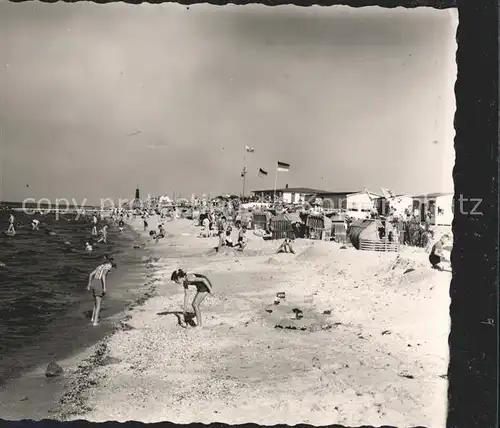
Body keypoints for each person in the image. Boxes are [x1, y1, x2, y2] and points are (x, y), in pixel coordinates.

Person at [87, 258, 116, 326]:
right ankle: (95, 322)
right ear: (110, 265)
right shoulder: (107, 267)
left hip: (94, 282)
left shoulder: (99, 266)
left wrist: (89, 284)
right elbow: (103, 275)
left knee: (95, 302)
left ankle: (92, 318)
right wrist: (104, 287)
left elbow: (91, 274)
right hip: (99, 283)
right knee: (99, 304)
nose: (110, 270)